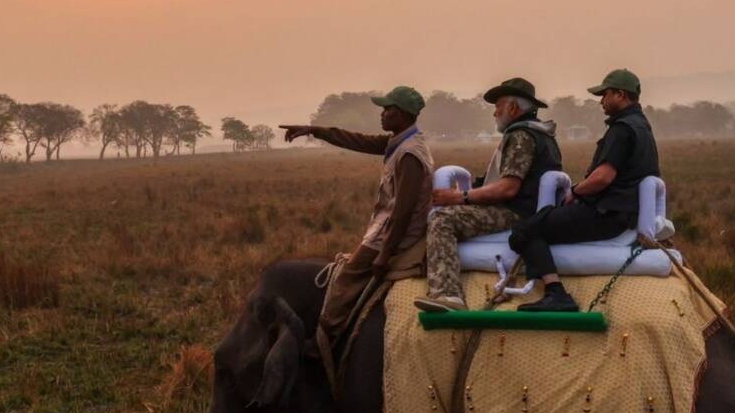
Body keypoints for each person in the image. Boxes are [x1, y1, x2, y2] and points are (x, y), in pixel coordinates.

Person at [279, 85, 434, 365]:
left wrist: (385, 253)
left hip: (395, 234)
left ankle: (323, 341)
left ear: (401, 114)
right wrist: (314, 130)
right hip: (384, 229)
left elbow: (402, 212)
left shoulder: (410, 153)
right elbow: (356, 140)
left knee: (346, 278)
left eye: (388, 110)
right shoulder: (399, 142)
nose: (382, 115)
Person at [509, 68, 661, 312]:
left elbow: (604, 176)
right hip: (623, 213)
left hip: (606, 213)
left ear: (620, 95)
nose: (601, 101)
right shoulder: (642, 126)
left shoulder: (622, 129)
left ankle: (555, 292)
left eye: (605, 95)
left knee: (525, 230)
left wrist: (576, 192)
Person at [414, 77, 562, 312]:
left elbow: (508, 188)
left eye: (498, 106)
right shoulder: (542, 134)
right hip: (529, 209)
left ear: (513, 108)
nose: (495, 113)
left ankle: (448, 295)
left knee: (442, 220)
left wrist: (459, 197)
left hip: (516, 212)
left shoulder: (521, 136)